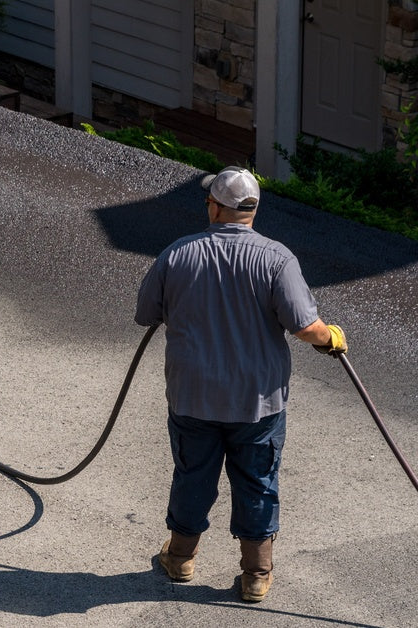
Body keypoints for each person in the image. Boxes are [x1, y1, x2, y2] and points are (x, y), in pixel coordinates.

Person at [134, 167, 348, 603]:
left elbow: (146, 314)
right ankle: (256, 575)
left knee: (193, 476)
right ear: (252, 210)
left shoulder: (177, 254)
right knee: (257, 482)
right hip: (258, 403)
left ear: (214, 207)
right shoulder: (276, 258)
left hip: (193, 397)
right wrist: (331, 339)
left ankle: (179, 559)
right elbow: (307, 328)